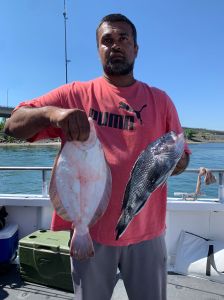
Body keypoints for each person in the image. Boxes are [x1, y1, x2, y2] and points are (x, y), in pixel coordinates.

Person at [4, 13, 190, 300]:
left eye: (123, 38)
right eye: (107, 40)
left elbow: (182, 157)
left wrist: (177, 163)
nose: (115, 45)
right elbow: (12, 124)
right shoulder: (76, 93)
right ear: (98, 50)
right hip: (89, 234)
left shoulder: (161, 100)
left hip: (147, 234)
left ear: (136, 49)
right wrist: (54, 114)